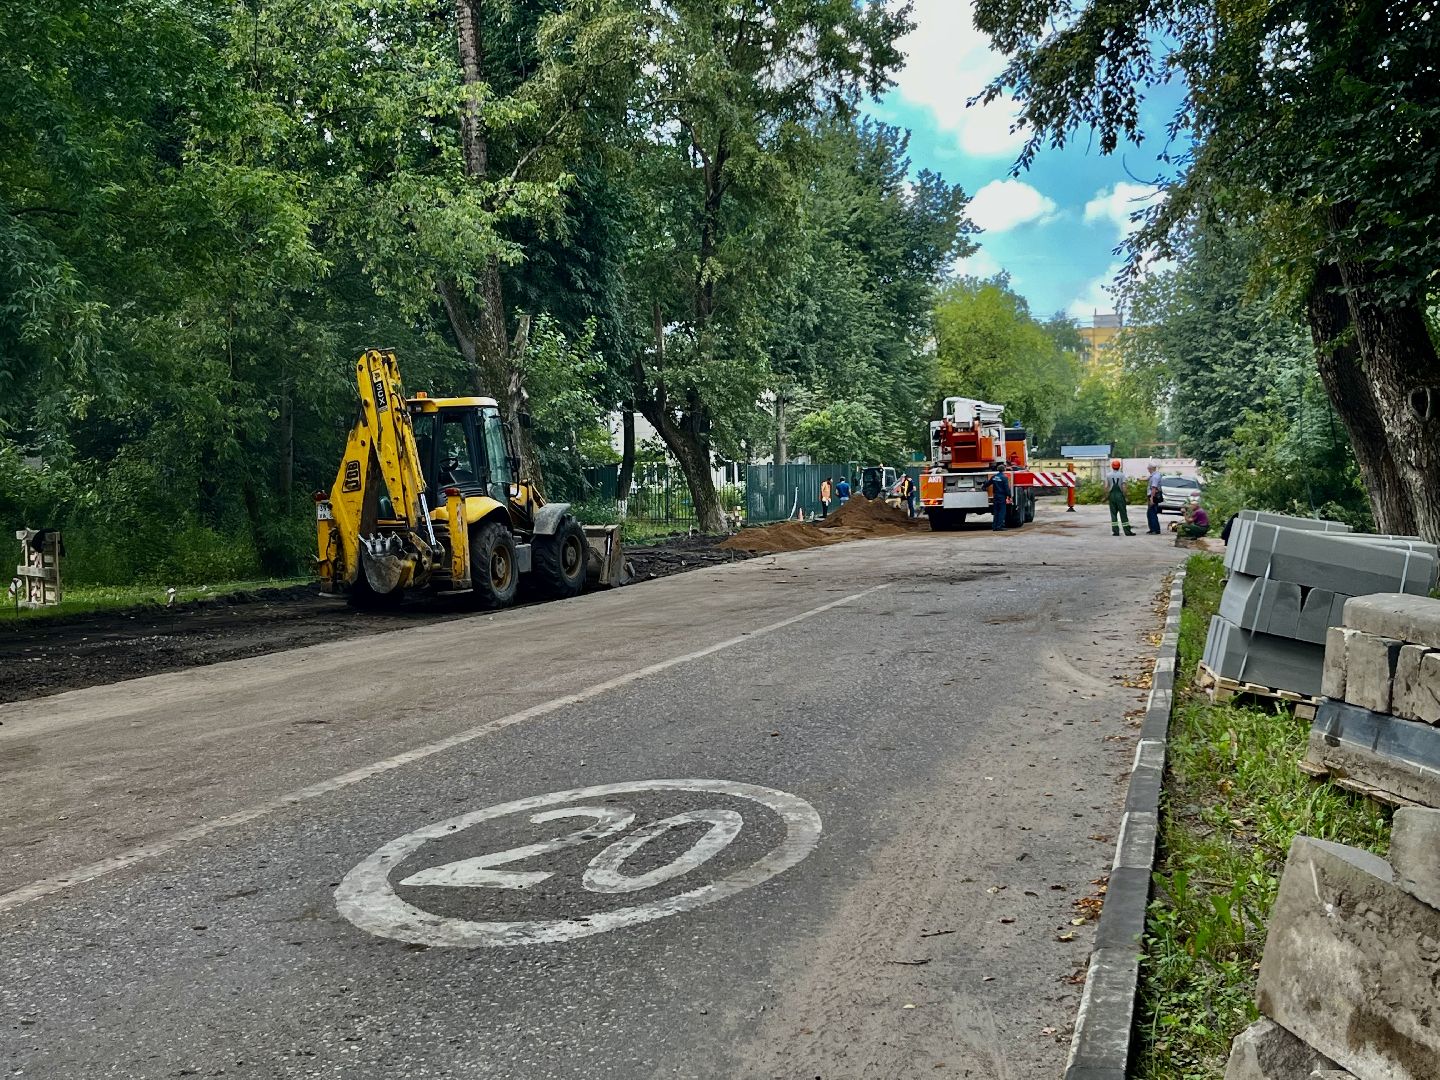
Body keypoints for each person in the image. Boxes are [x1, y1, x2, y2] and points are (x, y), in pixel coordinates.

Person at [1104, 459, 1135, 537]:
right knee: (1123, 514)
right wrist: (1126, 496)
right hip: (1120, 496)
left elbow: (1106, 487)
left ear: (1112, 466)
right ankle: (1127, 531)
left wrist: (1105, 496)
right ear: (1119, 467)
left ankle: (1115, 531)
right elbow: (1124, 486)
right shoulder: (1122, 475)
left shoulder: (1108, 475)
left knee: (1113, 514)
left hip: (1112, 496)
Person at [982, 461, 1010, 532]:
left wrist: (984, 487)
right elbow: (1006, 488)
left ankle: (994, 527)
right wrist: (1009, 495)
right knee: (1002, 511)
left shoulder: (994, 477)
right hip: (1001, 497)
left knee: (996, 511)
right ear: (1004, 470)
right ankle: (999, 526)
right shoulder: (1004, 478)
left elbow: (988, 483)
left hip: (995, 496)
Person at [1145, 464, 1163, 535]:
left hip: (1153, 496)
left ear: (1151, 468)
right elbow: (1149, 478)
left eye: (1148, 468)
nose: (1147, 469)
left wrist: (1151, 499)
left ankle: (1155, 530)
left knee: (1151, 513)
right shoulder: (1156, 474)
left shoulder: (1155, 477)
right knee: (1151, 513)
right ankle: (1153, 529)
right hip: (1154, 495)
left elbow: (1153, 489)